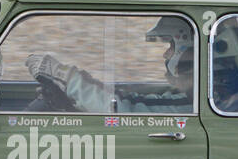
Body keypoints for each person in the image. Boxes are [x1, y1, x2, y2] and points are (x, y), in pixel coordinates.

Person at [24, 16, 194, 113]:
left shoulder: (190, 102)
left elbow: (126, 110)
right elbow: (130, 100)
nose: (165, 54)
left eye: (171, 46)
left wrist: (64, 76)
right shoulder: (189, 96)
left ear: (187, 49)